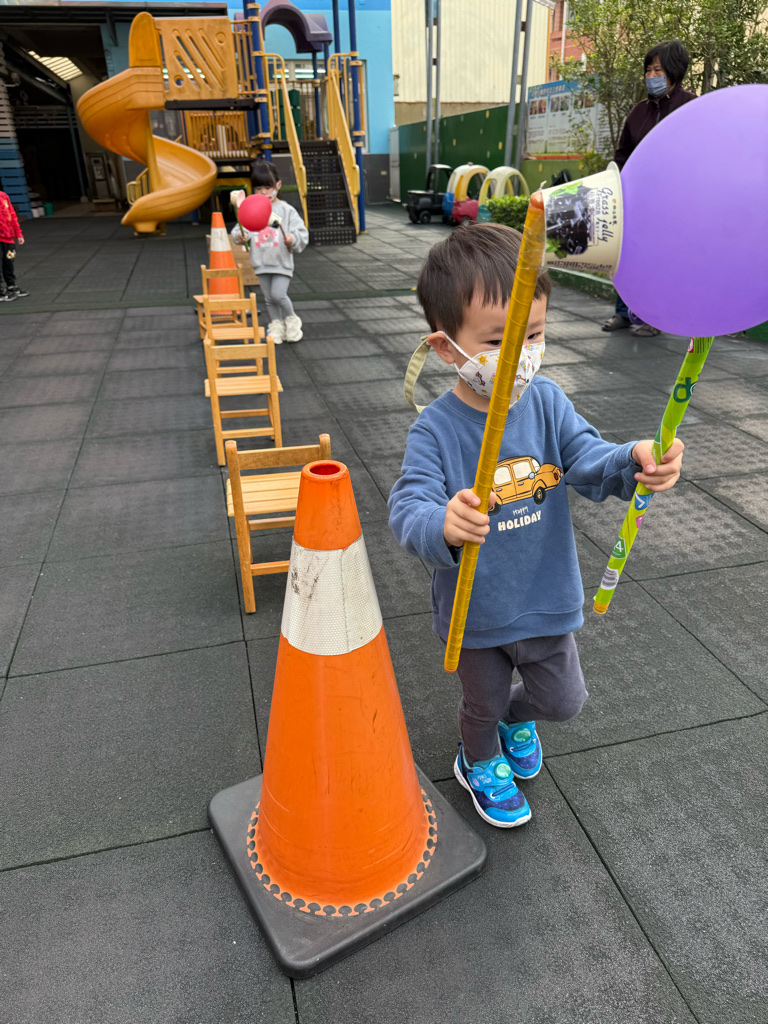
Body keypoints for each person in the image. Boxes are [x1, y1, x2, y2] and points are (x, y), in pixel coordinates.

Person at [389, 222, 684, 828]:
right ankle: (479, 758)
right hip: (477, 614)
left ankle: (514, 720)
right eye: (500, 340)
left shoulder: (546, 401)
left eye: (535, 335)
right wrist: (441, 523)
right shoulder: (435, 430)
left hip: (545, 596)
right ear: (446, 347)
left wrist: (634, 459)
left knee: (563, 700)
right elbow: (407, 505)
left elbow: (586, 458)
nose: (522, 355)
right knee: (482, 703)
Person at [602, 40, 695, 337]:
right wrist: (615, 184)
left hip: (673, 202)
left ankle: (655, 317)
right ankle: (624, 313)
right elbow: (623, 154)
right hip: (636, 199)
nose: (651, 76)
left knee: (661, 260)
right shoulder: (638, 111)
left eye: (658, 70)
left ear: (675, 72)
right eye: (648, 70)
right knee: (628, 257)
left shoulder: (690, 107)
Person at [231, 160, 308, 343]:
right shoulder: (251, 209)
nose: (264, 192)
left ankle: (292, 320)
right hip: (261, 261)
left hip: (281, 262)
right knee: (269, 298)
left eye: (268, 187)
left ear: (278, 185)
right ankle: (276, 325)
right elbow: (239, 230)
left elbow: (301, 233)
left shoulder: (286, 210)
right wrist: (240, 236)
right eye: (258, 189)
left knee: (278, 295)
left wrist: (292, 239)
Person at [0, 180, 29, 302]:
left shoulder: (3, 196)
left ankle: (11, 286)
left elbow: (12, 215)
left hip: (8, 237)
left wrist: (18, 233)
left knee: (8, 262)